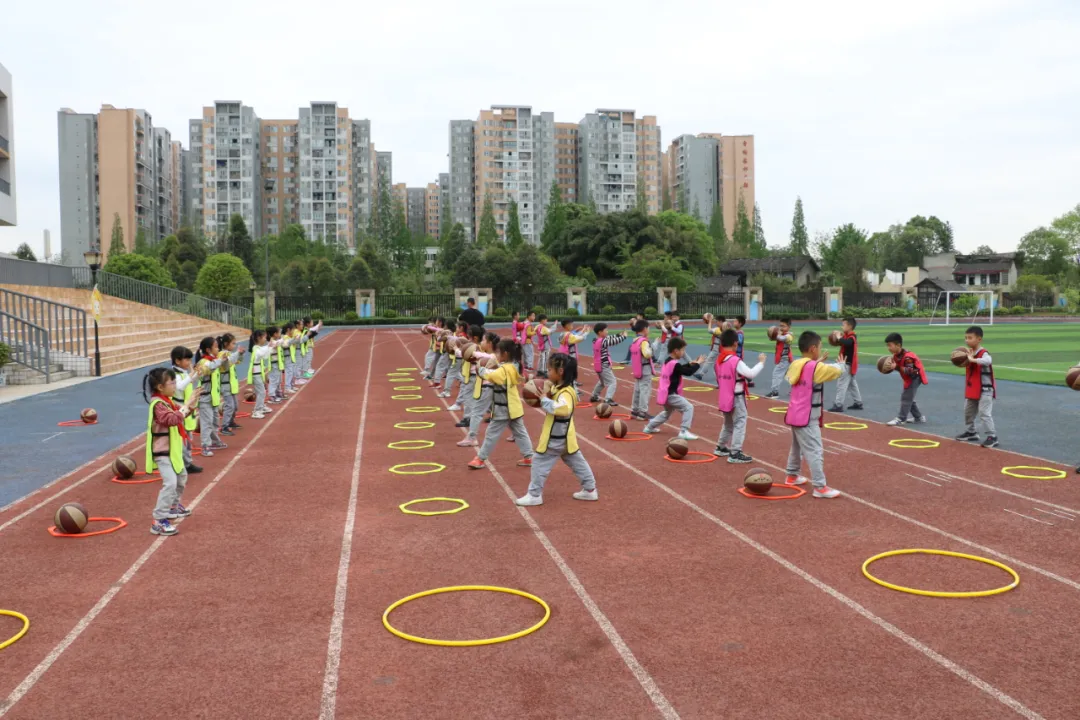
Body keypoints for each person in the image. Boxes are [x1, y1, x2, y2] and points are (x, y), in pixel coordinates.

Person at [515, 353, 598, 506]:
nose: (547, 373)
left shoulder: (565, 393)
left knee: (539, 462)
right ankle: (590, 489)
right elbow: (549, 389)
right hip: (566, 437)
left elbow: (564, 409)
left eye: (550, 369)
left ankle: (534, 495)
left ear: (560, 371)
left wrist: (544, 400)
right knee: (578, 462)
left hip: (555, 438)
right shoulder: (563, 389)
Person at [783, 331, 844, 498]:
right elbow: (835, 372)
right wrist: (842, 365)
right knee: (815, 450)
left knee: (797, 448)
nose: (820, 349)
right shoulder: (815, 368)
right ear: (812, 348)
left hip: (795, 413)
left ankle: (792, 475)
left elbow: (808, 372)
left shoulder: (796, 364)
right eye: (819, 347)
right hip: (808, 416)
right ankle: (819, 487)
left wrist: (817, 363)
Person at [143, 367, 200, 536]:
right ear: (160, 387)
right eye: (172, 382)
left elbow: (181, 413)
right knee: (170, 483)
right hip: (163, 452)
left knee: (181, 477)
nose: (176, 385)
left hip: (173, 451)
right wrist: (187, 405)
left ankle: (172, 507)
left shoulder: (167, 401)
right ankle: (158, 520)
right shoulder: (158, 404)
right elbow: (172, 419)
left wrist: (191, 404)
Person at [468, 339, 534, 469]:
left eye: (498, 353)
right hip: (513, 407)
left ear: (505, 354)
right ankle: (529, 456)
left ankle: (480, 458)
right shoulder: (512, 367)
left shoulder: (504, 369)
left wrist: (480, 370)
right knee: (520, 432)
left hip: (504, 409)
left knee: (491, 434)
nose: (496, 355)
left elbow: (494, 376)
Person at [713, 330, 766, 463]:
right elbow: (750, 374)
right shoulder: (735, 360)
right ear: (735, 344)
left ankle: (721, 446)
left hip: (724, 396)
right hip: (736, 396)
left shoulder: (719, 360)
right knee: (740, 422)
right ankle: (735, 452)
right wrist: (761, 362)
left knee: (728, 423)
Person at [644, 337, 703, 440]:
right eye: (683, 350)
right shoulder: (674, 364)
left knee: (667, 413)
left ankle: (649, 427)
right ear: (676, 351)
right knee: (689, 407)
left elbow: (680, 369)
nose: (684, 353)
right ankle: (684, 431)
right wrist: (697, 364)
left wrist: (690, 364)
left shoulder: (668, 361)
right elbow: (687, 372)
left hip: (665, 394)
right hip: (670, 394)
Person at [956, 326, 998, 448]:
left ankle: (992, 436)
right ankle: (971, 432)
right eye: (965, 338)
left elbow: (988, 361)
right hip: (972, 389)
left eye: (970, 338)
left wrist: (973, 360)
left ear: (979, 339)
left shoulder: (983, 353)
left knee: (984, 413)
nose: (967, 340)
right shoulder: (968, 353)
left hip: (985, 389)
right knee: (968, 412)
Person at [458, 331, 499, 447]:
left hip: (488, 386)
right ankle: (519, 438)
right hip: (489, 387)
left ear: (490, 343)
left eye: (484, 340)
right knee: (504, 414)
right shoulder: (488, 355)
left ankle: (471, 438)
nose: (482, 342)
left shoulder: (493, 356)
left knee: (476, 412)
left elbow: (490, 357)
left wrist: (474, 353)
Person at [169, 346, 202, 475]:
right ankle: (183, 464)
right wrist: (191, 374)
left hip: (187, 410)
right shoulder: (174, 374)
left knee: (188, 438)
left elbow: (189, 382)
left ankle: (187, 462)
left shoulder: (182, 373)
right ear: (178, 361)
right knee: (182, 440)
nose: (189, 363)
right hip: (180, 410)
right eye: (187, 360)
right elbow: (181, 387)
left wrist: (195, 374)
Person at [885, 333, 929, 426]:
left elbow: (914, 371)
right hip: (909, 378)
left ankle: (901, 418)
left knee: (906, 397)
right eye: (887, 346)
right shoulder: (896, 356)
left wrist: (897, 367)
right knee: (908, 397)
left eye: (890, 345)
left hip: (915, 377)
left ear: (898, 345)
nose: (888, 348)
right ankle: (919, 417)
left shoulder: (908, 357)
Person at [195, 337, 226, 456]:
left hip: (213, 397)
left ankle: (214, 441)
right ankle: (205, 446)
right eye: (216, 347)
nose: (218, 349)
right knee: (206, 423)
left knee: (214, 421)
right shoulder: (204, 362)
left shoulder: (213, 360)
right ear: (208, 349)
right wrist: (219, 361)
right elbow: (209, 368)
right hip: (205, 398)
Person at [828, 317, 864, 412]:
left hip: (847, 365)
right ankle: (858, 402)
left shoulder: (852, 337)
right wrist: (837, 336)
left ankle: (838, 404)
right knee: (852, 385)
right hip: (848, 365)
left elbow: (847, 343)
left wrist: (839, 337)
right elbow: (841, 342)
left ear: (850, 326)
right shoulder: (847, 336)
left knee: (841, 384)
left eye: (844, 324)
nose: (842, 326)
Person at [590, 322, 628, 405]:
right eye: (606, 330)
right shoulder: (603, 341)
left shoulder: (596, 340)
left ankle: (594, 396)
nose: (607, 331)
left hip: (598, 365)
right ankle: (608, 399)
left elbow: (609, 338)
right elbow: (613, 341)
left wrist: (618, 334)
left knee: (602, 382)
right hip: (604, 365)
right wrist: (624, 336)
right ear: (600, 332)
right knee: (612, 382)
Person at [218, 334, 246, 436]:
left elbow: (238, 361)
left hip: (231, 384)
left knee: (235, 405)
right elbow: (229, 362)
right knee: (230, 406)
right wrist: (237, 352)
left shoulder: (230, 353)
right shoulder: (222, 354)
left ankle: (230, 421)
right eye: (233, 343)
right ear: (226, 343)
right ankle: (224, 426)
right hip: (225, 384)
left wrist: (241, 354)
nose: (234, 345)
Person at [628, 319, 654, 421]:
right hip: (645, 368)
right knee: (645, 390)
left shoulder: (635, 341)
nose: (649, 330)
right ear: (644, 329)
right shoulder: (643, 341)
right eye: (648, 328)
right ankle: (643, 412)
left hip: (637, 368)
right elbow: (647, 354)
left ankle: (635, 410)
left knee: (637, 390)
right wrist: (653, 348)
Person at [765, 318, 794, 399]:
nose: (781, 328)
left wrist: (776, 334)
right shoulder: (781, 334)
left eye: (783, 326)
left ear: (789, 327)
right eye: (780, 326)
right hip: (784, 359)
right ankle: (795, 390)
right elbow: (773, 338)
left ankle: (775, 392)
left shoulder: (789, 335)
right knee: (790, 376)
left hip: (784, 359)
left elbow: (782, 339)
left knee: (776, 374)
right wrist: (771, 334)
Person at [247, 329, 271, 419]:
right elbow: (262, 353)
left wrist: (269, 346)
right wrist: (269, 346)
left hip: (259, 373)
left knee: (260, 391)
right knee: (262, 392)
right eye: (264, 337)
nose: (265, 339)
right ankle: (257, 410)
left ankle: (261, 406)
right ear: (259, 338)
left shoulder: (258, 348)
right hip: (256, 374)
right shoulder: (255, 348)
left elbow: (265, 355)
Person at [695, 314, 726, 381]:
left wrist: (710, 321)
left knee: (709, 361)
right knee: (716, 364)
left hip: (717, 348)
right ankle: (719, 377)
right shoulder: (723, 328)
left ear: (721, 321)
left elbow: (709, 330)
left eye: (717, 321)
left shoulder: (720, 330)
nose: (716, 323)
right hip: (720, 348)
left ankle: (701, 374)